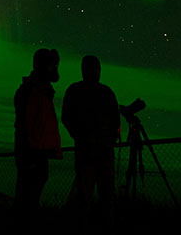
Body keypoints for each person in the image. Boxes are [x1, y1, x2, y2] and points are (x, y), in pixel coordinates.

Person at [62, 55, 120, 233]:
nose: (94, 71)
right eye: (92, 68)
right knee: (94, 196)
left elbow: (67, 118)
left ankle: (91, 225)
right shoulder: (104, 92)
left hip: (93, 152)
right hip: (95, 152)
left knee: (94, 196)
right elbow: (115, 121)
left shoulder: (76, 90)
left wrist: (80, 136)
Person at [14, 48, 62, 224]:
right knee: (26, 203)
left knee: (27, 201)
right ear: (44, 67)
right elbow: (26, 126)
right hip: (32, 154)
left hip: (36, 153)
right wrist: (30, 155)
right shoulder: (33, 91)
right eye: (52, 65)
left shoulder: (38, 91)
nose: (56, 68)